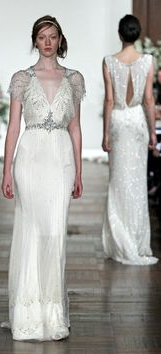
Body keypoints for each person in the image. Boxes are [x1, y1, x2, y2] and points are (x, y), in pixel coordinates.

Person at [1, 15, 85, 341]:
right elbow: (12, 128)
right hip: (30, 157)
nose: (47, 42)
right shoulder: (22, 79)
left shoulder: (74, 79)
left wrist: (79, 169)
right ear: (34, 41)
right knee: (31, 232)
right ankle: (29, 314)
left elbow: (76, 128)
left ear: (60, 39)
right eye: (41, 36)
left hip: (61, 158)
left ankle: (53, 313)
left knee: (55, 233)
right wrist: (7, 169)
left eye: (52, 36)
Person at [101, 14, 158, 265]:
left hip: (118, 121)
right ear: (137, 33)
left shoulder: (108, 61)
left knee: (118, 180)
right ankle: (135, 240)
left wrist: (104, 134)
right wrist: (153, 132)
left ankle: (119, 239)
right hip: (137, 122)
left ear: (120, 34)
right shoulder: (148, 61)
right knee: (137, 181)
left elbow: (110, 100)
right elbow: (148, 99)